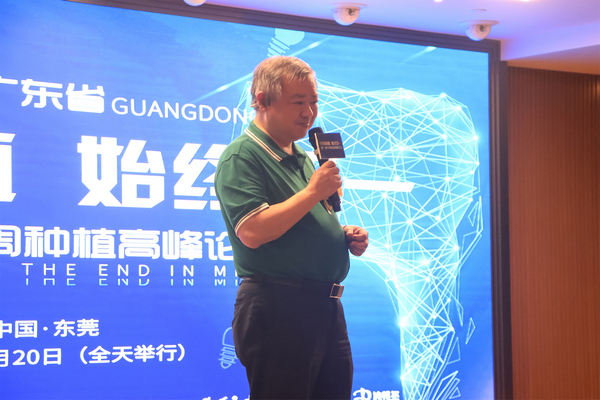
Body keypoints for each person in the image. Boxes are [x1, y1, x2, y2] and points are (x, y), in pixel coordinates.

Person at [214, 55, 369, 400]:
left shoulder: (304, 156)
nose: (309, 113)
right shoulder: (243, 156)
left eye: (314, 102)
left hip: (324, 306)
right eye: (298, 102)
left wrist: (341, 236)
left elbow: (302, 219)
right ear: (262, 100)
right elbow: (253, 231)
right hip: (279, 307)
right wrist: (313, 192)